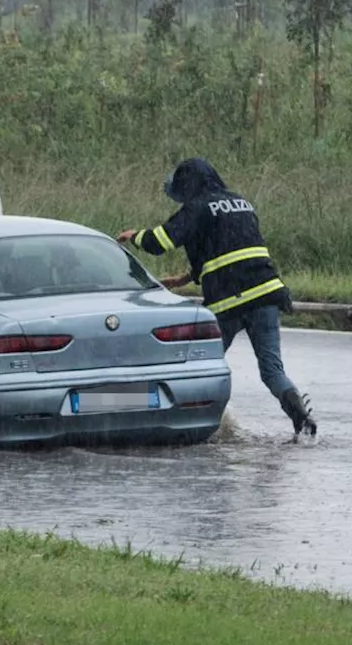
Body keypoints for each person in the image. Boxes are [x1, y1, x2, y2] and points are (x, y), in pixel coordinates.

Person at [116, 158, 317, 438]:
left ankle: (177, 423)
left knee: (195, 366)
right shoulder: (240, 202)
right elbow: (226, 246)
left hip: (229, 302)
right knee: (272, 371)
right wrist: (186, 278)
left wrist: (134, 235)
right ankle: (302, 418)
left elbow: (160, 241)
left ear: (188, 185)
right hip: (267, 294)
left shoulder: (197, 206)